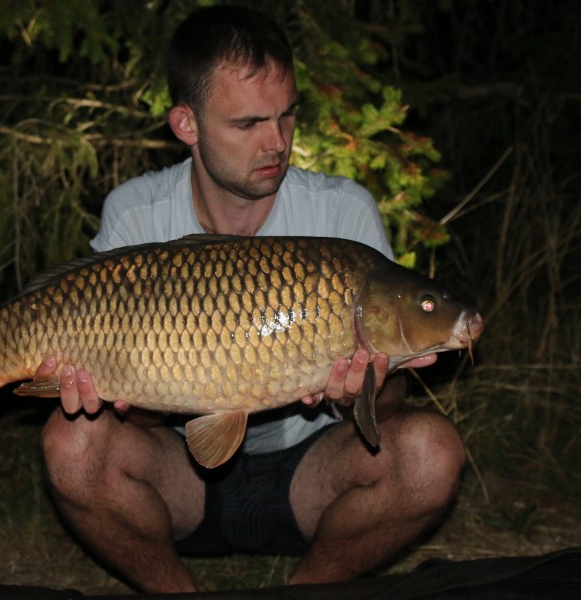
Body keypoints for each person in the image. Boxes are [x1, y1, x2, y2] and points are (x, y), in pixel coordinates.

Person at [35, 5, 464, 593]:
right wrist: (112, 386)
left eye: (287, 116)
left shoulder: (342, 214)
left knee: (430, 453)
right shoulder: (136, 214)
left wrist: (364, 389)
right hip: (179, 474)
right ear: (187, 124)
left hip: (312, 475)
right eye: (248, 124)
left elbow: (386, 411)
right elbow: (149, 417)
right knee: (71, 442)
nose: (277, 142)